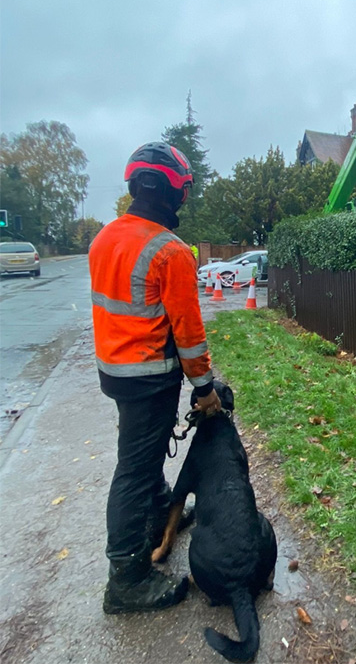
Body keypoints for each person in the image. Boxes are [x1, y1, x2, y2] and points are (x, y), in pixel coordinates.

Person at [89, 142, 221, 614]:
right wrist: (204, 389)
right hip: (149, 376)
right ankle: (126, 577)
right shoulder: (170, 251)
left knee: (141, 454)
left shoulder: (105, 238)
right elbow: (188, 332)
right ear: (176, 193)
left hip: (116, 371)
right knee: (135, 470)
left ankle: (159, 515)